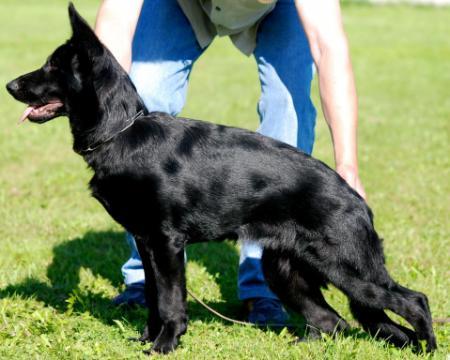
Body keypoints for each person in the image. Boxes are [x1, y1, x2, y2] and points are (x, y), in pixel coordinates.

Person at [94, 0, 366, 326]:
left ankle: (265, 286)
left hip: (280, 12)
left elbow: (328, 46)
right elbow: (114, 28)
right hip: (181, 5)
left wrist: (347, 163)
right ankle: (147, 278)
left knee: (288, 114)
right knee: (146, 90)